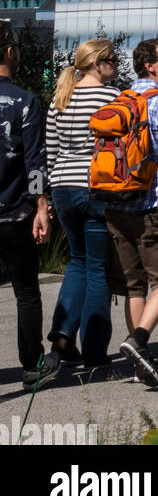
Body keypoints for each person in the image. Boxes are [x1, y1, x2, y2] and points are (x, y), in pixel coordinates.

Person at [102, 39, 158, 388]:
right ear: (150, 65)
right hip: (150, 206)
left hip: (114, 203)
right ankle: (138, 341)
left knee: (134, 284)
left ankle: (139, 356)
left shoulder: (120, 99)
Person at [44, 39, 119, 371]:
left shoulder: (60, 98)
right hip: (96, 186)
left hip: (62, 186)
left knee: (76, 261)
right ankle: (94, 349)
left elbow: (50, 152)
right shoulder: (113, 98)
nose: (117, 65)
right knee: (97, 267)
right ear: (99, 63)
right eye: (113, 59)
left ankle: (62, 333)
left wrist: (44, 196)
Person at [0, 21, 58, 390]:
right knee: (25, 290)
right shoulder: (25, 101)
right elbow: (35, 161)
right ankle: (32, 364)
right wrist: (41, 206)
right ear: (9, 51)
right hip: (15, 213)